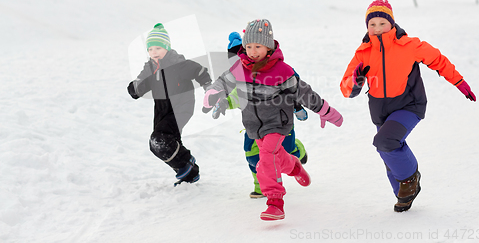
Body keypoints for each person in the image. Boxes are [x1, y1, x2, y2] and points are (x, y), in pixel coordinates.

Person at [340, 0, 476, 212]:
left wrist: (458, 81)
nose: (377, 28)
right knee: (386, 151)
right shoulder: (363, 52)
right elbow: (346, 88)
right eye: (372, 24)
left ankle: (411, 179)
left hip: (409, 105)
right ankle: (404, 195)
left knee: (386, 142)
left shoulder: (409, 45)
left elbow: (438, 60)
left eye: (382, 23)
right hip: (380, 111)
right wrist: (355, 81)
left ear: (392, 23)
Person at [203, 19, 343, 221]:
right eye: (248, 46)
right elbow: (224, 82)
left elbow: (303, 92)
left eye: (257, 46)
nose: (252, 51)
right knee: (276, 155)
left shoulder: (282, 70)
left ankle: (275, 202)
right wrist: (214, 92)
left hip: (278, 122)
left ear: (268, 46)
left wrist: (324, 110)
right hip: (254, 124)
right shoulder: (240, 68)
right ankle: (294, 166)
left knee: (266, 158)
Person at [226, 32, 308, 199]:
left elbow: (293, 86)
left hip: (278, 122)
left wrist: (297, 106)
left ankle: (297, 151)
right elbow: (236, 95)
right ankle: (261, 187)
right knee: (252, 156)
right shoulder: (239, 75)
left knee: (283, 152)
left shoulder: (276, 68)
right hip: (254, 124)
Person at [127, 23, 212, 186]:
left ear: (167, 47)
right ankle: (189, 175)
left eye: (158, 48)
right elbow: (138, 87)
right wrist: (135, 88)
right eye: (150, 49)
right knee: (159, 145)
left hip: (181, 107)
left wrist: (208, 86)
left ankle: (187, 160)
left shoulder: (178, 63)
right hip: (161, 110)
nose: (154, 52)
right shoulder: (150, 68)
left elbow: (199, 71)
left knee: (160, 139)